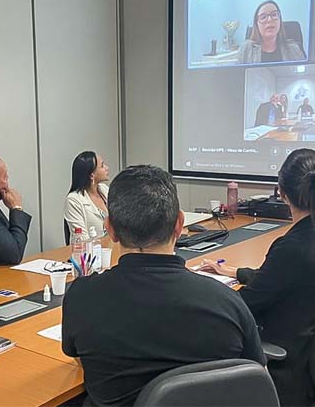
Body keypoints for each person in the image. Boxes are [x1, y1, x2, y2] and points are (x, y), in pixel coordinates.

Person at [62, 165, 265, 406]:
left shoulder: (81, 297)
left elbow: (75, 356)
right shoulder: (226, 301)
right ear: (179, 224)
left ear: (110, 229)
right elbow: (256, 375)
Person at [200, 148, 315, 405]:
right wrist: (234, 272)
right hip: (313, 347)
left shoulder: (292, 246)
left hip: (287, 359)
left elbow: (247, 303)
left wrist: (205, 290)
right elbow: (287, 279)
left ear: (281, 192)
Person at [239, 0, 306, 64]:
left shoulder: (293, 49)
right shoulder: (246, 49)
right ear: (257, 25)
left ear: (280, 20)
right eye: (263, 17)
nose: (269, 20)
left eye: (274, 15)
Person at [64, 151, 110, 241]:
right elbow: (81, 239)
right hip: (90, 252)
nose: (107, 168)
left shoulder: (104, 190)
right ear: (92, 175)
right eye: (102, 165)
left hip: (111, 248)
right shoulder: (73, 200)